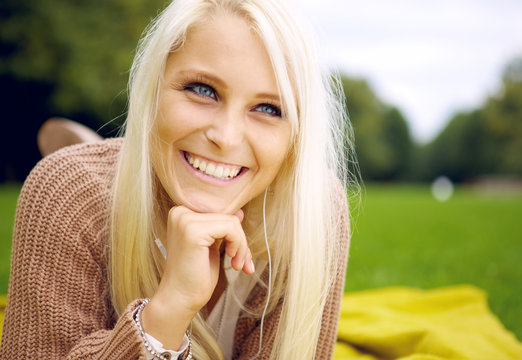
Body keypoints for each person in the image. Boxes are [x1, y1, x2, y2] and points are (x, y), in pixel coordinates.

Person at [0, 0, 352, 358]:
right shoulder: (66, 190)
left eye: (268, 109)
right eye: (202, 89)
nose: (226, 137)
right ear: (151, 87)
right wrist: (167, 312)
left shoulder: (315, 212)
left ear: (296, 136)